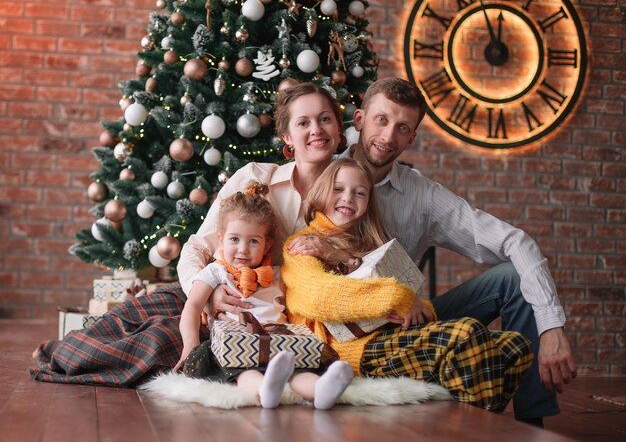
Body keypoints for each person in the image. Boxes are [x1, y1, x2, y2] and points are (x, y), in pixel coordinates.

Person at [31, 81, 344, 387]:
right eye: (304, 122)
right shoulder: (255, 177)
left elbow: (358, 261)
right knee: (126, 317)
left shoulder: (348, 197)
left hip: (259, 319)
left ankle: (64, 356)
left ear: (338, 127)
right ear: (287, 136)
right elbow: (197, 246)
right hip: (207, 288)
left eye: (325, 119)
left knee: (154, 343)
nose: (316, 129)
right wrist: (208, 293)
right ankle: (61, 349)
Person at [338, 77, 576, 425]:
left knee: (512, 278)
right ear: (359, 120)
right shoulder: (321, 170)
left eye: (402, 127)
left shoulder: (422, 195)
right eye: (381, 120)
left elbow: (516, 241)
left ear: (412, 138)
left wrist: (551, 327)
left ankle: (532, 424)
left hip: (407, 325)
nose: (389, 137)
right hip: (339, 329)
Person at [282, 157, 533, 411]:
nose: (348, 198)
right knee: (466, 333)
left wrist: (421, 309)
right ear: (321, 191)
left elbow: (402, 294)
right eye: (338, 189)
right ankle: (478, 429)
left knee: (515, 346)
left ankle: (469, 420)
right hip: (350, 351)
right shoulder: (301, 244)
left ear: (368, 203)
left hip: (394, 334)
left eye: (360, 193)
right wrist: (400, 298)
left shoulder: (369, 245)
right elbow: (320, 297)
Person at [175, 181, 353, 410]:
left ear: (267, 245)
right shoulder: (216, 272)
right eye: (234, 239)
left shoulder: (277, 274)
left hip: (278, 339)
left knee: (299, 368)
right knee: (245, 371)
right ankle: (265, 389)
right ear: (220, 239)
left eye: (253, 241)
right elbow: (193, 306)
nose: (242, 249)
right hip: (235, 344)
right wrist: (190, 343)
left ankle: (321, 390)